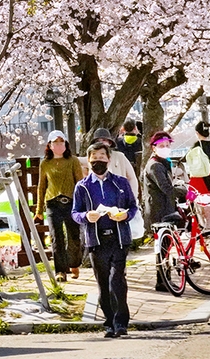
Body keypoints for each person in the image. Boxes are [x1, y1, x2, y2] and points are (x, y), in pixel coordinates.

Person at [71, 142, 138, 339]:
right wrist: (86, 217)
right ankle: (109, 322)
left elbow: (133, 207)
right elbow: (75, 212)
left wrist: (125, 216)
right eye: (94, 157)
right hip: (96, 240)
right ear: (89, 160)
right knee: (103, 283)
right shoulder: (82, 186)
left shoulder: (120, 183)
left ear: (108, 159)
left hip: (119, 238)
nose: (98, 160)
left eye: (102, 156)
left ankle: (121, 323)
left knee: (117, 280)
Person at [34, 129, 86, 281]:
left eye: (61, 142)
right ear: (49, 146)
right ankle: (60, 271)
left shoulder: (73, 161)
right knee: (56, 238)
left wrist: (82, 203)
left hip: (71, 202)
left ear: (66, 144)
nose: (58, 145)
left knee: (73, 235)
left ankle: (74, 264)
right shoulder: (45, 163)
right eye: (55, 142)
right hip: (52, 203)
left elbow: (79, 182)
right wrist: (39, 209)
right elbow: (41, 186)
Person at [143, 131, 178, 293]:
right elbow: (166, 188)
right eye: (161, 146)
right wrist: (186, 192)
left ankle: (165, 280)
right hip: (159, 212)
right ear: (153, 148)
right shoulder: (155, 165)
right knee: (163, 248)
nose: (165, 148)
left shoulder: (162, 163)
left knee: (166, 247)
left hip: (164, 209)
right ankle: (163, 281)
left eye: (167, 145)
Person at [85, 127, 139, 195]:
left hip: (119, 197)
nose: (101, 143)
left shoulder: (120, 156)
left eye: (104, 140)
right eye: (98, 141)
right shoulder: (91, 159)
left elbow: (132, 178)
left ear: (109, 143)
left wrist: (132, 196)